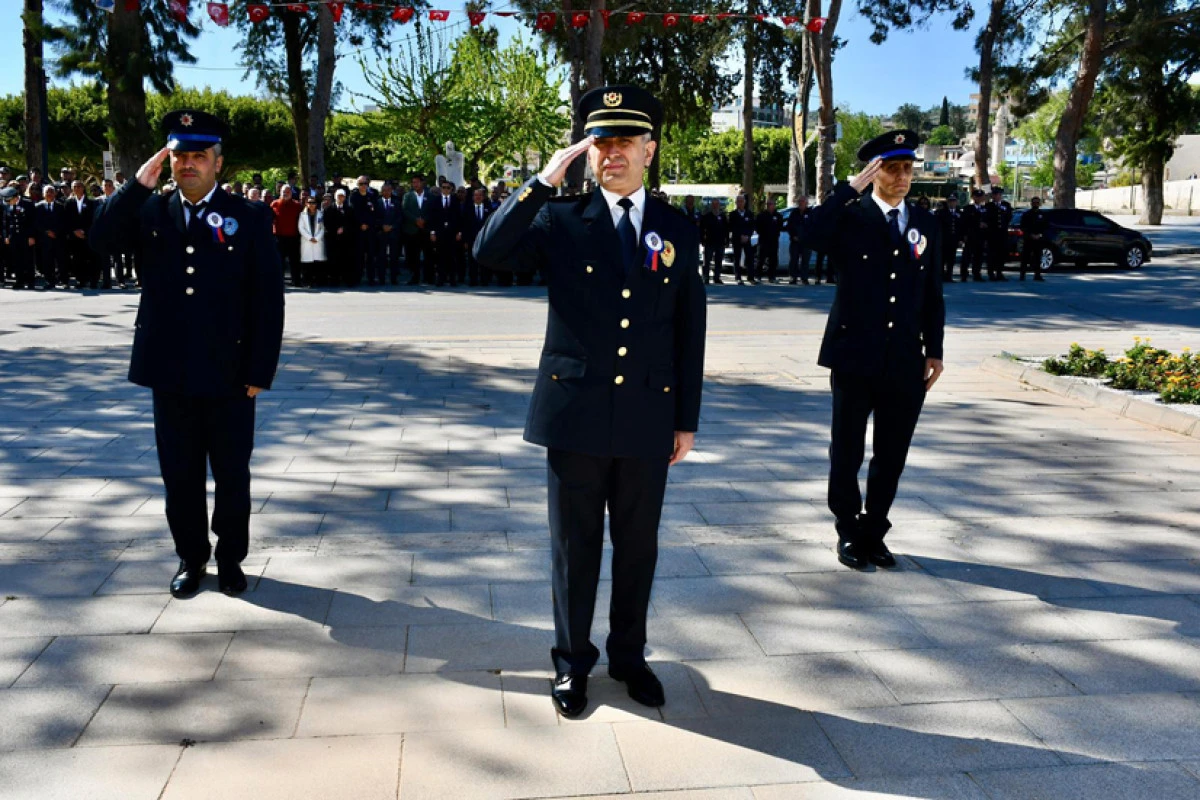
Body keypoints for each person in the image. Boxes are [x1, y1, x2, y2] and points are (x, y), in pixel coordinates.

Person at [473, 84, 706, 719]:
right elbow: (488, 251)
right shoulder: (561, 219)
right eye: (601, 143)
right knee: (574, 549)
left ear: (650, 150)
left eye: (625, 142)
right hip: (574, 415)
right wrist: (542, 182)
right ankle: (572, 662)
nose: (612, 154)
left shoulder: (677, 229)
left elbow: (690, 329)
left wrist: (685, 420)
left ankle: (628, 657)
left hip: (647, 416)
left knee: (638, 547)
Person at [88, 109, 285, 599]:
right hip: (169, 369)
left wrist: (259, 369)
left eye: (199, 155)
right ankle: (191, 556)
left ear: (218, 162)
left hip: (231, 372)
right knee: (180, 474)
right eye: (180, 156)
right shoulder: (149, 211)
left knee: (232, 474)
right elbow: (100, 241)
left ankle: (231, 557)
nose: (188, 164)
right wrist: (135, 187)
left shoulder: (249, 216)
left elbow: (267, 299)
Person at [804, 128, 945, 571]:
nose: (902, 177)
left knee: (892, 452)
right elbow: (809, 233)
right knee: (847, 450)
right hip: (853, 355)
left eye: (908, 169)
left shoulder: (924, 223)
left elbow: (932, 291)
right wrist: (847, 190)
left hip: (904, 357)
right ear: (874, 172)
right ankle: (848, 530)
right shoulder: (851, 216)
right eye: (892, 168)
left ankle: (875, 530)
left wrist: (935, 349)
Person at [1, 186, 37, 289]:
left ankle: (30, 281)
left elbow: (33, 221)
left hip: (26, 236)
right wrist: (6, 236)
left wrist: (31, 236)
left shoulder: (28, 204)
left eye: (9, 200)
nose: (8, 203)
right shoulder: (7, 206)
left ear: (15, 197)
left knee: (28, 259)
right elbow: (6, 222)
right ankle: (19, 281)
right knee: (17, 260)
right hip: (14, 237)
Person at [64, 180, 97, 289]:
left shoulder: (91, 202)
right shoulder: (69, 203)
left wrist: (85, 231)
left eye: (79, 186)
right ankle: (80, 280)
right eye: (74, 187)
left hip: (87, 235)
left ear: (83, 188)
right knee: (77, 259)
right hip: (74, 237)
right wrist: (74, 231)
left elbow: (93, 219)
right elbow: (66, 220)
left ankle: (93, 281)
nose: (77, 189)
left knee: (91, 259)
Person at [428, 179, 461, 287]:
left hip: (452, 233)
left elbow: (459, 217)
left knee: (452, 257)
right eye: (443, 187)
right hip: (440, 232)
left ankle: (452, 279)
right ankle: (440, 279)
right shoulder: (436, 200)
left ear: (451, 189)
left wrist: (459, 232)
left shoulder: (455, 200)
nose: (445, 189)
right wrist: (432, 232)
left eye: (448, 188)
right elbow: (432, 218)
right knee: (440, 257)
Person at [271, 185, 304, 288]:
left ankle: (296, 281)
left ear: (291, 193)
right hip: (279, 237)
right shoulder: (274, 204)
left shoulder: (297, 205)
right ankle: (279, 281)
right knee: (279, 261)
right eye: (283, 191)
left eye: (287, 192)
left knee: (295, 260)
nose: (285, 193)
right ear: (280, 192)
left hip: (293, 237)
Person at [348, 176, 378, 286]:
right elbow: (354, 212)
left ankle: (371, 278)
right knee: (358, 256)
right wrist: (361, 224)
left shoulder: (372, 196)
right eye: (361, 184)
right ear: (357, 185)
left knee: (371, 255)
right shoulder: (354, 196)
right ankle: (357, 278)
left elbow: (374, 212)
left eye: (365, 183)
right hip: (358, 230)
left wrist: (368, 224)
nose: (363, 186)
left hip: (370, 230)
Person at [34, 184, 65, 288]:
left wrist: (56, 232)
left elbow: (63, 222)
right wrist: (46, 231)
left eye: (51, 191)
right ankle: (49, 281)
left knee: (61, 260)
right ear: (43, 194)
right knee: (47, 261)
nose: (49, 194)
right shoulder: (38, 207)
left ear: (55, 193)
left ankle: (63, 280)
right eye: (47, 192)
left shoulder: (60, 206)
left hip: (58, 238)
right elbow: (36, 222)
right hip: (45, 239)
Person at [460, 186, 492, 286]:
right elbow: (464, 225)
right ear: (473, 197)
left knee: (484, 260)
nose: (478, 197)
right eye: (476, 195)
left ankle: (484, 280)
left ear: (483, 197)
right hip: (471, 239)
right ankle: (473, 280)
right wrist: (465, 240)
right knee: (472, 260)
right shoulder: (467, 209)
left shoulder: (488, 208)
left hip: (484, 239)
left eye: (480, 195)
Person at [402, 174, 431, 285]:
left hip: (425, 229)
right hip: (412, 230)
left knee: (428, 254)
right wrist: (415, 220)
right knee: (413, 255)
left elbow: (432, 211)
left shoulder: (430, 196)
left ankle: (428, 277)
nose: (415, 184)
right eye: (413, 182)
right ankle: (415, 276)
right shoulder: (407, 196)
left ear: (422, 183)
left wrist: (424, 220)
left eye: (417, 182)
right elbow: (405, 210)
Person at [324, 189, 353, 286]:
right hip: (333, 239)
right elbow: (326, 223)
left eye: (342, 196)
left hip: (346, 239)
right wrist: (335, 229)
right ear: (335, 197)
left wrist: (344, 228)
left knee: (346, 259)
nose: (340, 198)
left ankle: (347, 279)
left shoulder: (349, 209)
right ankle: (334, 280)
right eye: (339, 196)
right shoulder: (328, 209)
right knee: (333, 260)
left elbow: (352, 223)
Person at [377, 181, 403, 285]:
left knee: (394, 257)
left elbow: (399, 217)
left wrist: (392, 227)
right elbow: (375, 217)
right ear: (381, 191)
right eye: (384, 190)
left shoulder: (396, 203)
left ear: (391, 191)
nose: (386, 192)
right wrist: (382, 226)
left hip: (393, 233)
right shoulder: (377, 202)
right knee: (381, 257)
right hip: (381, 233)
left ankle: (393, 278)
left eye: (388, 190)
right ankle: (381, 278)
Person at [298, 194, 326, 286]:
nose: (311, 204)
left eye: (313, 202)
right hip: (307, 241)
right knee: (307, 262)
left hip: (318, 241)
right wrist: (310, 238)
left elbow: (322, 228)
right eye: (309, 202)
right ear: (306, 204)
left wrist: (317, 238)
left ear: (316, 204)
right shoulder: (302, 214)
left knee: (318, 262)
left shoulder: (320, 214)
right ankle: (308, 281)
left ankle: (318, 281)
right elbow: (301, 228)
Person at [935, 193, 963, 282]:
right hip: (944, 239)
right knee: (942, 259)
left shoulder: (959, 213)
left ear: (957, 202)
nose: (952, 203)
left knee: (951, 259)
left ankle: (949, 276)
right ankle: (941, 276)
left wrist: (961, 239)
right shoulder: (941, 213)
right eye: (950, 201)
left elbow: (961, 227)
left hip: (954, 239)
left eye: (954, 201)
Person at [961, 188, 988, 282]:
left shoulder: (985, 209)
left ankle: (977, 273)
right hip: (971, 235)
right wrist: (964, 235)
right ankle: (964, 274)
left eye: (981, 197)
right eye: (978, 197)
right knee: (967, 256)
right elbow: (964, 222)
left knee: (978, 256)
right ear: (973, 197)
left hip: (981, 236)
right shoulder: (968, 209)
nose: (980, 199)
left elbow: (989, 221)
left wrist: (986, 226)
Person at [1019, 195, 1048, 281]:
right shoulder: (1026, 214)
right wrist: (1030, 234)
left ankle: (1037, 275)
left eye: (1037, 203)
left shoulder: (1042, 214)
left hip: (1039, 239)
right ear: (1031, 203)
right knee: (1025, 257)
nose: (1036, 204)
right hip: (1028, 239)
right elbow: (1023, 226)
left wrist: (1040, 234)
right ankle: (1022, 275)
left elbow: (1045, 226)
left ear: (1040, 204)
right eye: (1034, 203)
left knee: (1038, 257)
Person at [986, 186, 1012, 281]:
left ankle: (999, 272)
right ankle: (991, 272)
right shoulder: (989, 206)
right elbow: (987, 218)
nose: (996, 196)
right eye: (995, 194)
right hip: (992, 233)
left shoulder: (1006, 205)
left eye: (998, 194)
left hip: (1002, 233)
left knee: (1001, 253)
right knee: (992, 253)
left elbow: (1009, 217)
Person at [699, 199, 728, 285]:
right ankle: (706, 277)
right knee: (707, 261)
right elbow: (702, 229)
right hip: (709, 242)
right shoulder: (707, 216)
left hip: (720, 242)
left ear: (719, 205)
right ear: (711, 205)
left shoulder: (723, 216)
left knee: (718, 261)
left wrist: (726, 240)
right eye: (714, 204)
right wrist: (702, 240)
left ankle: (717, 277)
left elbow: (726, 229)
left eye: (717, 204)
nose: (715, 206)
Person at [755, 197, 784, 283]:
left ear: (775, 205)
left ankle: (772, 277)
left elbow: (780, 226)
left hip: (774, 241)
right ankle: (758, 276)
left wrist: (775, 234)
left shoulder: (778, 216)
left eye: (772, 204)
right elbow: (757, 227)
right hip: (763, 240)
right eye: (768, 204)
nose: (770, 205)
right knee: (761, 259)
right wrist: (763, 233)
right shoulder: (761, 215)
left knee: (773, 260)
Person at [729, 194, 755, 284]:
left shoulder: (750, 214)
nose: (740, 203)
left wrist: (747, 236)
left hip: (747, 239)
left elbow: (752, 227)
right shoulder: (732, 214)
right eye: (738, 201)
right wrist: (740, 236)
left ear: (744, 202)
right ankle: (738, 277)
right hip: (737, 239)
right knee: (737, 258)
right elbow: (732, 227)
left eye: (741, 201)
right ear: (736, 203)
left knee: (750, 258)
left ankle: (751, 277)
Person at [786, 195, 813, 284]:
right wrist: (793, 235)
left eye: (802, 201)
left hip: (806, 241)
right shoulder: (794, 213)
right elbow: (789, 226)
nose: (800, 203)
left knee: (805, 260)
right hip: (795, 241)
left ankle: (804, 278)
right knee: (793, 260)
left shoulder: (811, 213)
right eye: (799, 202)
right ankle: (792, 277)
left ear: (806, 203)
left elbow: (813, 226)